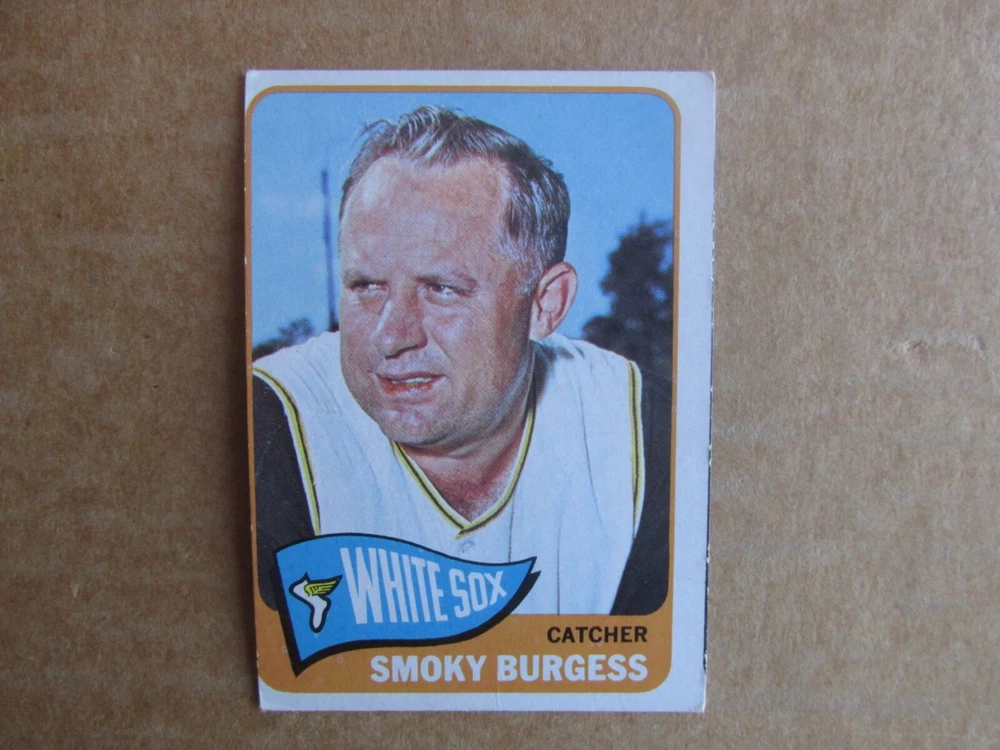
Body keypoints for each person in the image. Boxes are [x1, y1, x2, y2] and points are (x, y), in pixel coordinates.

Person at [252, 106, 670, 615]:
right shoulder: (266, 421)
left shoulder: (646, 436)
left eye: (442, 289)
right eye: (367, 286)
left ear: (545, 305)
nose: (391, 336)